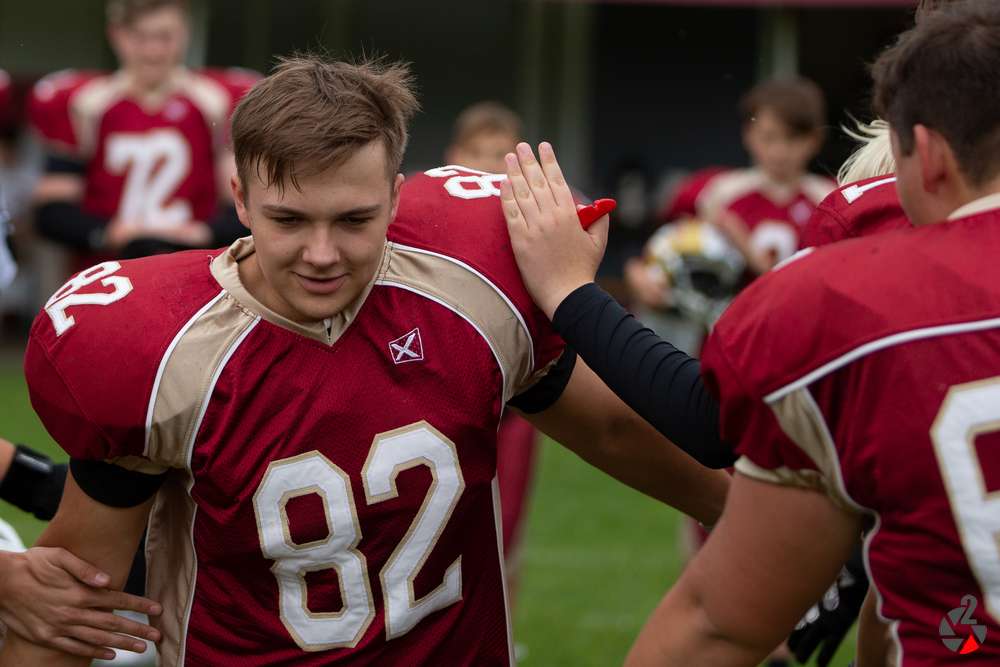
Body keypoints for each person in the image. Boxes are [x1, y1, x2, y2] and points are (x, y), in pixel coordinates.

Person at [2, 55, 729, 665]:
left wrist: (756, 527)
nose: (322, 254)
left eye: (354, 219)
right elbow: (71, 604)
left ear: (395, 194)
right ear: (241, 200)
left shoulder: (470, 282)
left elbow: (612, 430)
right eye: (289, 219)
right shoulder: (161, 347)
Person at [502, 1, 1000, 663]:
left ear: (926, 155)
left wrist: (571, 293)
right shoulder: (730, 195)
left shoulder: (850, 258)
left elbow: (711, 427)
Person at [28, 0, 256, 261]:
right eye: (140, 37)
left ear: (185, 33)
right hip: (107, 267)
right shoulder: (84, 103)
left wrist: (203, 234)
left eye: (164, 37)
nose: (153, 50)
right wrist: (108, 233)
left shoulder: (216, 101)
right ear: (116, 35)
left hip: (194, 265)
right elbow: (52, 210)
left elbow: (244, 201)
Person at [443, 100, 539, 600]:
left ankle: (505, 634)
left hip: (517, 394)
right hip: (448, 389)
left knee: (507, 528)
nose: (486, 166)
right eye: (476, 152)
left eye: (499, 154)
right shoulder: (431, 215)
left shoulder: (537, 217)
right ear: (454, 156)